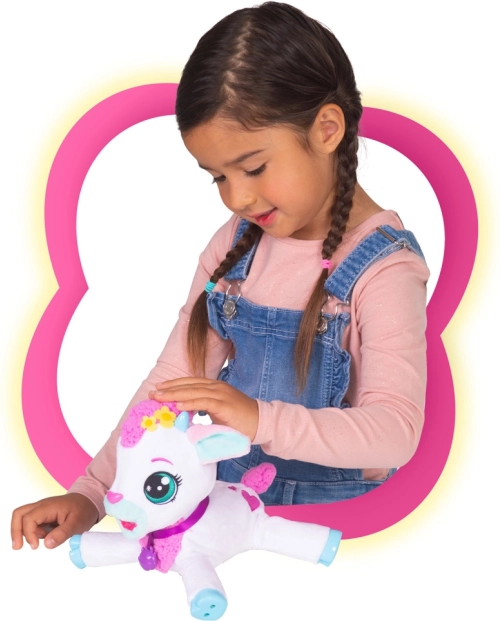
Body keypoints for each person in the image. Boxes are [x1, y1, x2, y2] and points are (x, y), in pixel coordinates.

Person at [11, 2, 429, 551]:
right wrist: (92, 493)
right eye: (218, 178)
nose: (237, 197)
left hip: (330, 534)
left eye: (253, 168)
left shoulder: (383, 267)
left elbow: (395, 432)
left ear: (327, 129)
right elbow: (171, 382)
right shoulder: (236, 246)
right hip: (221, 515)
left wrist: (259, 419)